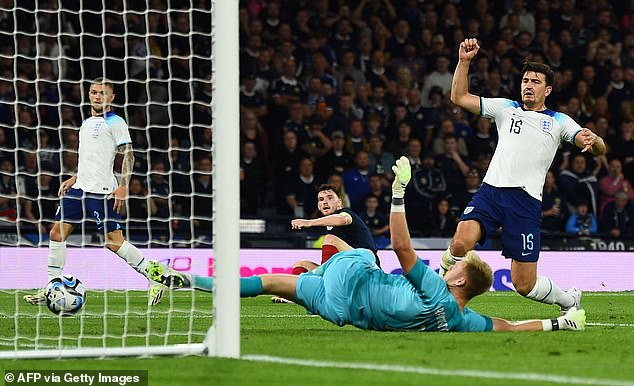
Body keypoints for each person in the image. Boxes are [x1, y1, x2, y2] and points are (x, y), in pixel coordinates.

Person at [145, 157, 586, 333]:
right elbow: (508, 327)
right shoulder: (459, 320)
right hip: (340, 311)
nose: (449, 266)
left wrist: (398, 192)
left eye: (455, 264)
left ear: (456, 275)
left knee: (318, 256)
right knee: (271, 283)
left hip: (352, 272)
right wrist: (558, 325)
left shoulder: (434, 288)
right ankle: (188, 278)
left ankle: (184, 279)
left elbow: (400, 246)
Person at [445, 38, 606, 312]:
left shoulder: (558, 121)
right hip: (491, 192)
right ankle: (436, 290)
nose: (528, 86)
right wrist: (464, 62)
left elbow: (594, 145)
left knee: (524, 284)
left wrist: (594, 140)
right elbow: (459, 97)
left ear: (548, 89)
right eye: (525, 81)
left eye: (535, 81)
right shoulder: (506, 109)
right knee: (461, 240)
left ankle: (569, 300)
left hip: (525, 203)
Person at [23, 78, 164, 306]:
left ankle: (155, 278)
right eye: (94, 92)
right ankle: (52, 286)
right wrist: (75, 177)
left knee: (114, 242)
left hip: (103, 192)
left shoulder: (116, 122)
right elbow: (91, 158)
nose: (97, 96)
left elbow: (128, 155)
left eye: (102, 93)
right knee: (56, 234)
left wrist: (123, 185)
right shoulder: (87, 123)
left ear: (112, 97)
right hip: (80, 190)